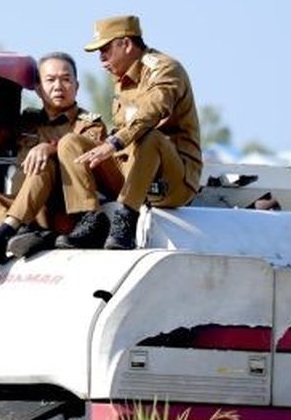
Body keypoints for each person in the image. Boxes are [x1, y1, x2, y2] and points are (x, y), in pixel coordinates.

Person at [0, 52, 122, 267]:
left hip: (60, 213)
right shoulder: (28, 121)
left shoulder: (89, 124)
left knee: (42, 165)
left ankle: (2, 236)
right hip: (22, 210)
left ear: (76, 86)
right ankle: (19, 235)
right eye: (50, 80)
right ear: (39, 89)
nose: (59, 86)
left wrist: (50, 148)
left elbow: (88, 156)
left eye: (66, 79)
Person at [75, 14, 203, 249]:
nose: (101, 58)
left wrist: (113, 143)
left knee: (150, 136)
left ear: (126, 44)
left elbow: (151, 112)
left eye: (105, 49)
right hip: (133, 172)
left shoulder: (164, 69)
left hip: (173, 180)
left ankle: (125, 221)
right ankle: (88, 219)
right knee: (72, 143)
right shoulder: (120, 78)